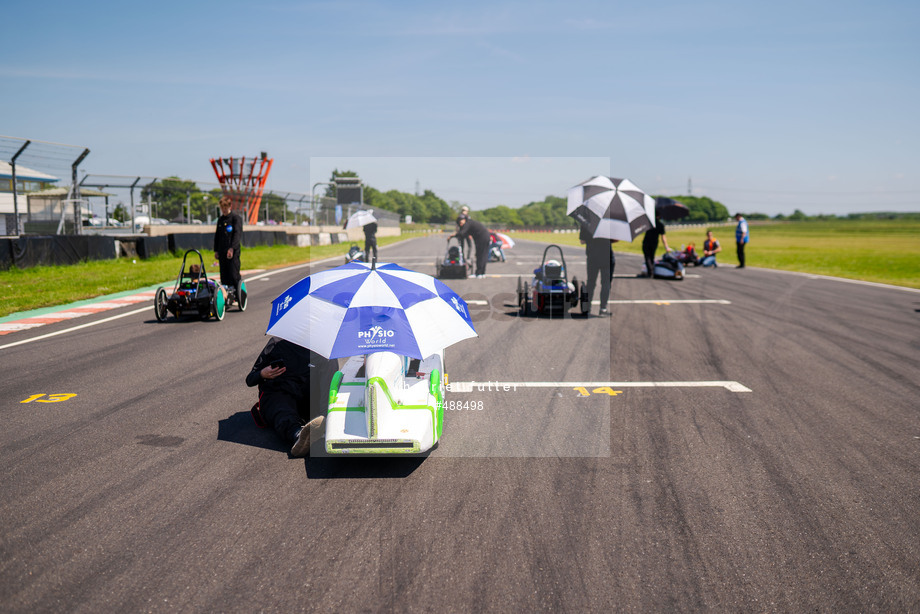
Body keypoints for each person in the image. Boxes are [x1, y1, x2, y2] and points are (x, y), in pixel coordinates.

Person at [246, 337, 339, 458]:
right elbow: (250, 379)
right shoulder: (277, 343)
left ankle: (325, 420)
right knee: (281, 406)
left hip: (307, 399)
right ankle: (298, 435)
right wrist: (263, 373)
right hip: (281, 393)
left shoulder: (323, 350)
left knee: (329, 362)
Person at [580, 224, 616, 317]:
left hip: (592, 256)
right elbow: (615, 239)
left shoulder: (587, 222)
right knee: (606, 283)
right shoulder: (609, 222)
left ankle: (587, 308)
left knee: (591, 282)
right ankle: (603, 308)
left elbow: (582, 241)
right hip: (606, 256)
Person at [214, 195, 243, 291]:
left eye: (225, 207)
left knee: (233, 273)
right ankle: (226, 293)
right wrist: (216, 250)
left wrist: (232, 248)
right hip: (222, 250)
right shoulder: (220, 220)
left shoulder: (235, 218)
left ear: (229, 206)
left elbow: (237, 234)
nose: (224, 210)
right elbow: (217, 235)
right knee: (224, 274)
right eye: (222, 208)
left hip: (232, 250)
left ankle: (238, 293)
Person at [641, 213, 671, 278]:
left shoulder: (649, 223)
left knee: (647, 257)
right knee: (652, 257)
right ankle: (651, 271)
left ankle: (650, 272)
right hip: (654, 243)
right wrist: (666, 246)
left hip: (646, 242)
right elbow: (663, 237)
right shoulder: (660, 225)